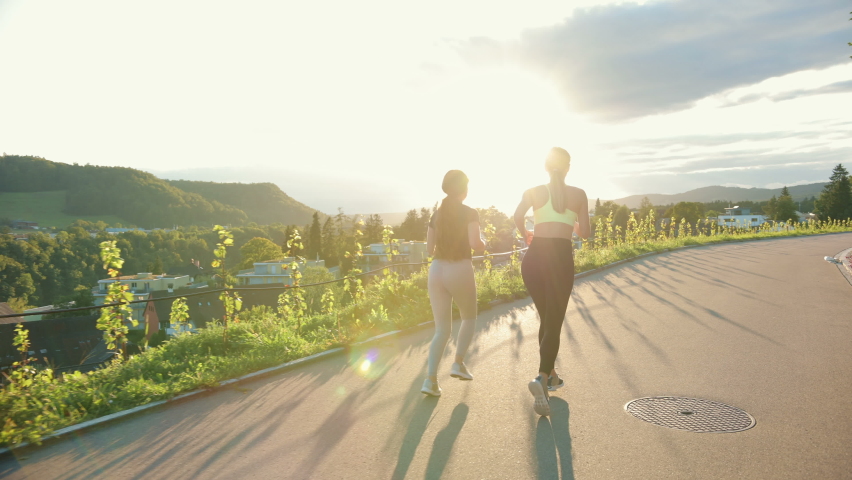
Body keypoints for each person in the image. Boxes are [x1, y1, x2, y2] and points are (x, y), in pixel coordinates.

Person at [513, 147, 590, 416]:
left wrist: (526, 234)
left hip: (533, 260)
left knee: (548, 320)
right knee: (554, 322)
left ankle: (551, 376)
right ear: (568, 167)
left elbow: (516, 216)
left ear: (546, 167)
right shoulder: (579, 194)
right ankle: (541, 378)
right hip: (559, 259)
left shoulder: (533, 190)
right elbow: (586, 233)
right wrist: (573, 223)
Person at [421, 170, 486, 397]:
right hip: (459, 268)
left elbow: (429, 250)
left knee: (441, 329)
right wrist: (484, 243)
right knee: (469, 317)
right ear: (464, 189)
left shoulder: (436, 215)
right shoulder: (470, 213)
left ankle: (430, 381)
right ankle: (458, 363)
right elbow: (475, 243)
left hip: (436, 269)